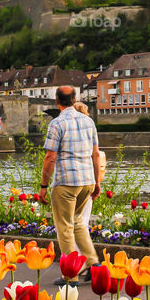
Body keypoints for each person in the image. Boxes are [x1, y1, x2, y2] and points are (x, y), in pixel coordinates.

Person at [40, 86, 101, 285]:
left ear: (57, 101)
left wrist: (43, 185)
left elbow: (50, 156)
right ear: (75, 99)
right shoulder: (88, 122)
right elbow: (95, 154)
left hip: (66, 182)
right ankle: (93, 264)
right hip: (87, 182)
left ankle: (71, 274)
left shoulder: (57, 124)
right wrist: (97, 181)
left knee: (64, 228)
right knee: (77, 223)